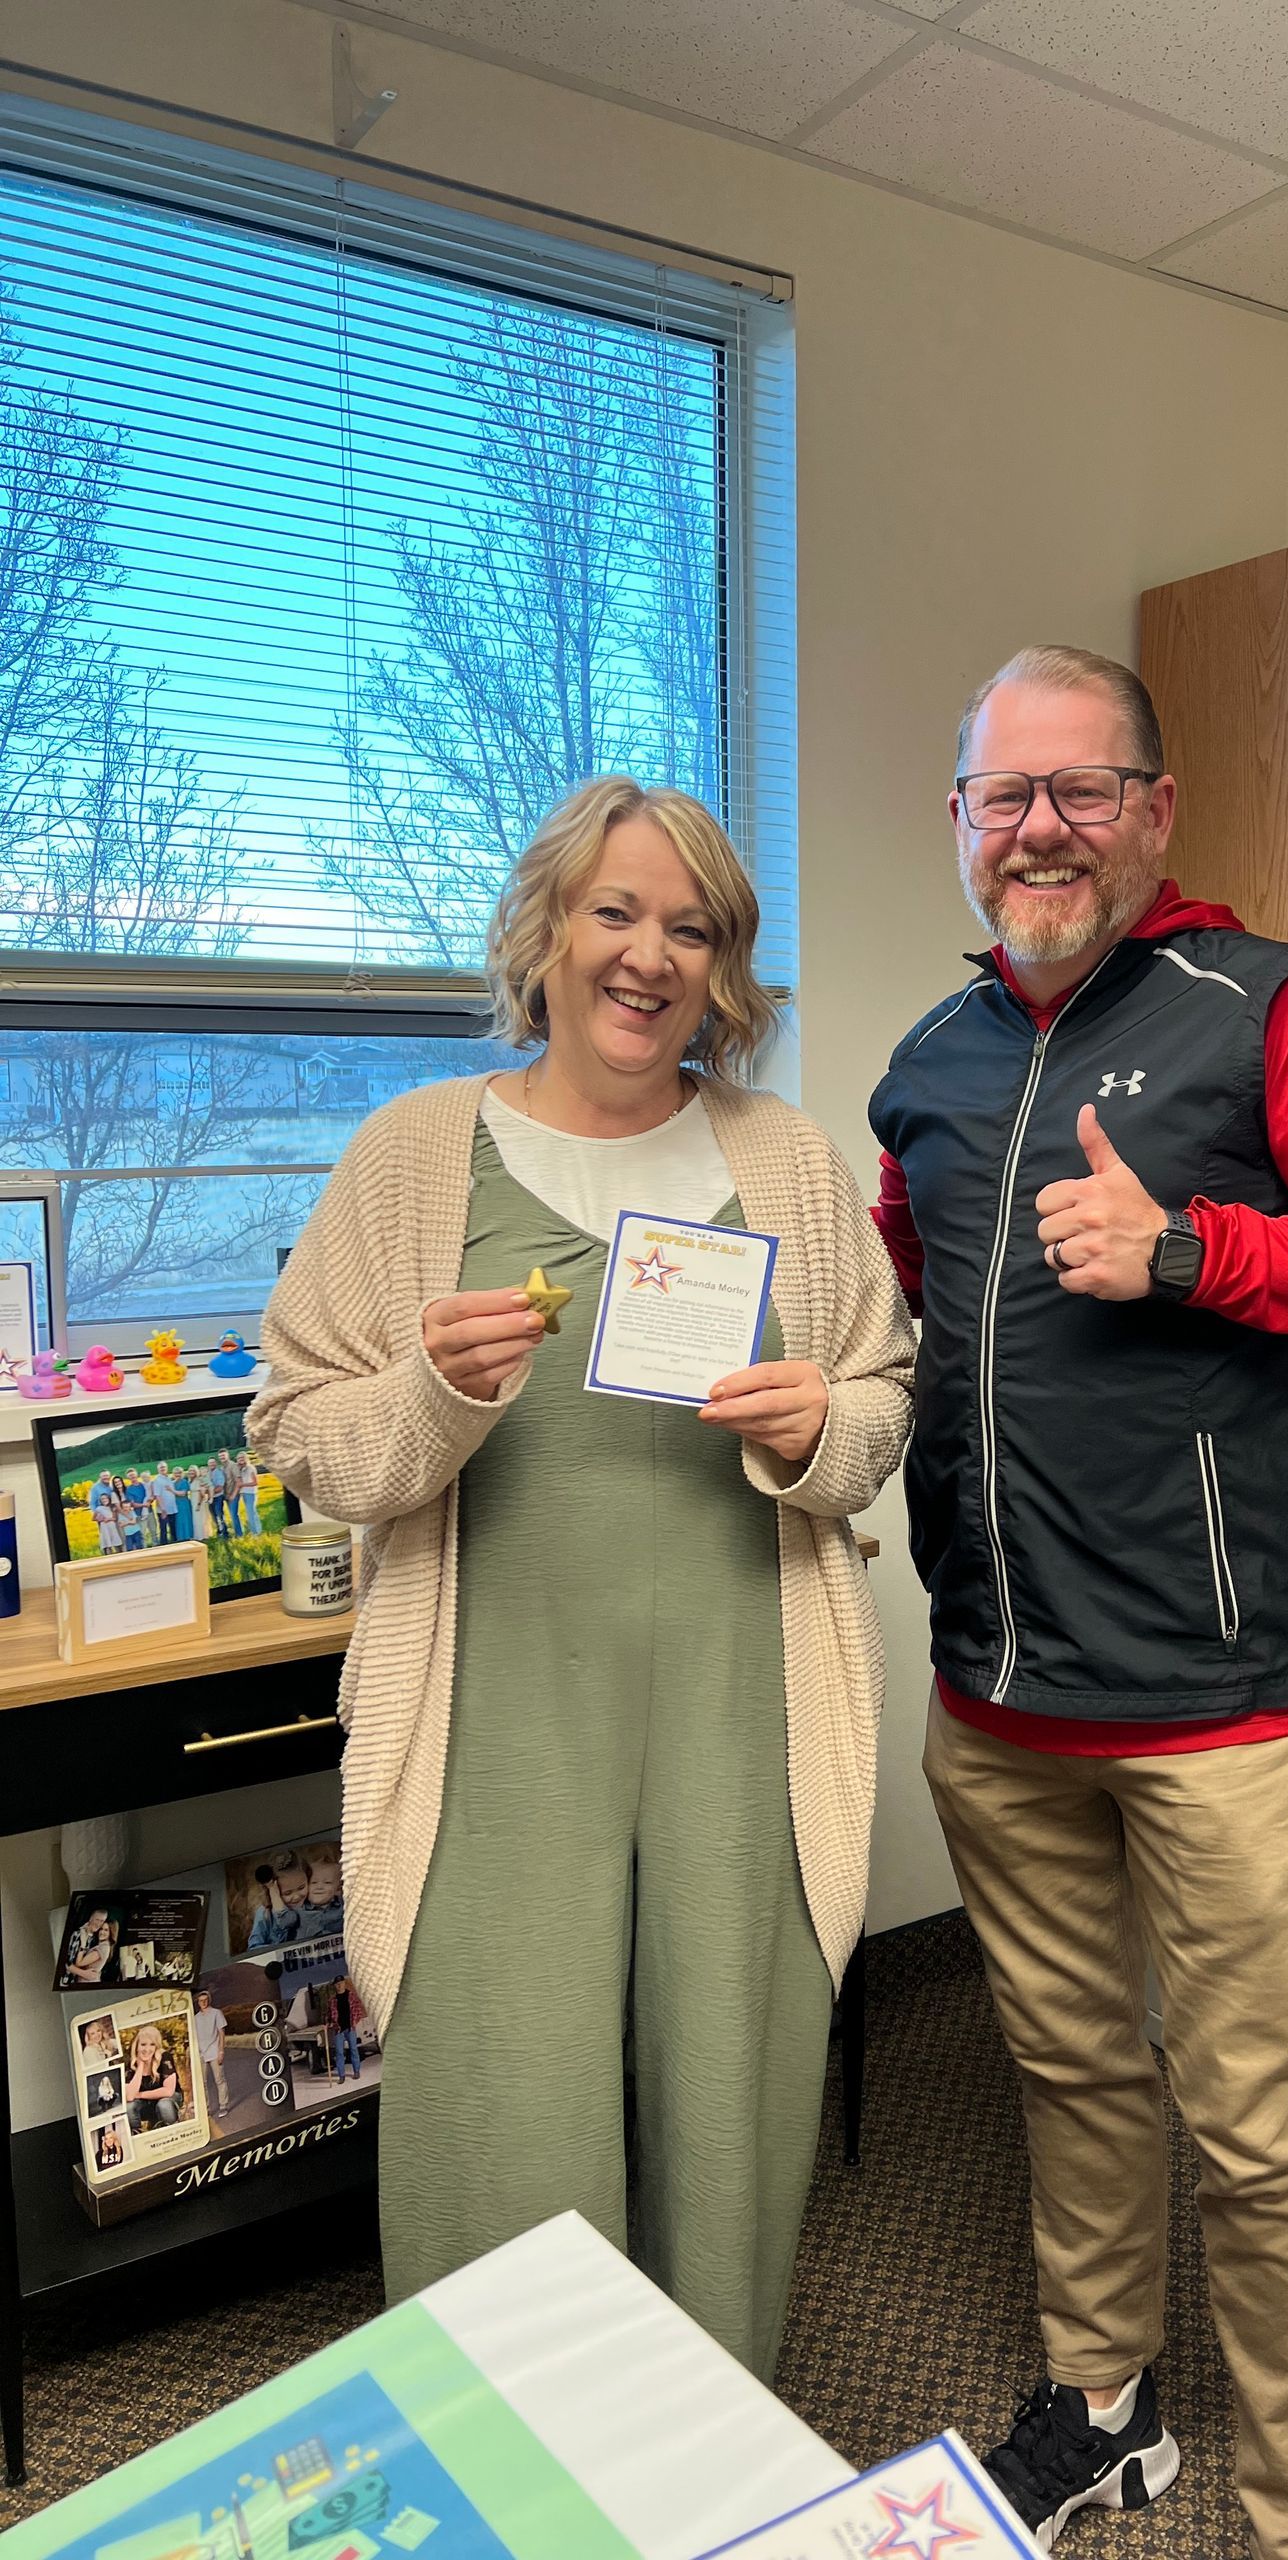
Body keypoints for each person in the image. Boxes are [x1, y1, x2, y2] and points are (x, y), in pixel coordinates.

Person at [870, 647, 1288, 2560]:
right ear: (959, 823)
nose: (1040, 829)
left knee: (1258, 2131)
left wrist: (1189, 1249)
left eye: (1082, 789)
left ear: (1154, 811)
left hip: (1216, 1702)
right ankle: (1105, 2406)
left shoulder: (1274, 1007)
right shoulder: (931, 1062)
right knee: (1068, 2071)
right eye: (1005, 795)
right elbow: (911, 1303)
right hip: (996, 1692)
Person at [249, 776, 914, 2379]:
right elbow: (296, 1432)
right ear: (544, 930)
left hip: (742, 1708)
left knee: (727, 2109)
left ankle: (709, 2437)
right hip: (498, 1720)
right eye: (615, 911)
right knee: (504, 2114)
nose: (648, 956)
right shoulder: (415, 1159)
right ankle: (515, 2460)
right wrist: (431, 1394)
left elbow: (883, 1401)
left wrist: (821, 1427)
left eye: (691, 928)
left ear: (722, 966)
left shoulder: (786, 1161)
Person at [125, 2022, 181, 2130]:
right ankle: (137, 2134)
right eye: (143, 2044)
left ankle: (173, 2132)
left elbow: (168, 2091)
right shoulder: (131, 2063)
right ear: (137, 2046)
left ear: (157, 2046)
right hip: (146, 2103)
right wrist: (140, 2065)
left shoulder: (165, 2057)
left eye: (152, 2044)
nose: (147, 2049)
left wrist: (140, 2095)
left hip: (168, 2099)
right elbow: (130, 2096)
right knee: (129, 2107)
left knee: (164, 2105)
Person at [194, 1991, 231, 2114]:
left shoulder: (216, 2013)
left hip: (214, 2050)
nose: (203, 2002)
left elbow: (221, 2032)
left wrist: (221, 2051)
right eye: (201, 2001)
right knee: (202, 2083)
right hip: (201, 2053)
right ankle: (207, 2109)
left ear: (209, 2000)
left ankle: (223, 2105)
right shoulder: (196, 2018)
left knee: (219, 2079)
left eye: (205, 2000)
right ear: (198, 2002)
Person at [327, 1977, 362, 2082]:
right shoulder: (332, 2000)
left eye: (340, 1983)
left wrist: (355, 2021)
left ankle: (356, 2071)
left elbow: (358, 2010)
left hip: (350, 2028)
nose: (339, 1986)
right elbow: (328, 2014)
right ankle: (341, 2076)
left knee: (353, 2049)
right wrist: (327, 2022)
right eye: (337, 1984)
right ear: (335, 1986)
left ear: (344, 1983)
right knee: (339, 2052)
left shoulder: (351, 1996)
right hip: (338, 2029)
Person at [88, 1473, 120, 1555]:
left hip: (111, 1514)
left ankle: (118, 1553)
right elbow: (92, 1503)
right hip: (102, 1516)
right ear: (100, 1477)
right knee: (105, 1536)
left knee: (114, 1535)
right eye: (104, 1476)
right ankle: (107, 1554)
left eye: (107, 1475)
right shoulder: (95, 1488)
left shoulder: (111, 1486)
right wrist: (98, 1515)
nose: (106, 1477)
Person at [234, 1450, 262, 1536]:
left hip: (251, 1493)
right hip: (244, 1493)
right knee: (252, 1512)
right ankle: (257, 1530)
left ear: (246, 1458)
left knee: (251, 1513)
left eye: (242, 1457)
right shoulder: (241, 1469)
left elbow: (255, 1482)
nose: (240, 1459)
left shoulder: (250, 1468)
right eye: (239, 1458)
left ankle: (255, 1533)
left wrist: (243, 1484)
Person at [189, 1463, 213, 1542]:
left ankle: (202, 1536)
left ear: (196, 1472)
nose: (191, 1472)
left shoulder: (199, 1480)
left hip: (199, 1500)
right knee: (196, 1519)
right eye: (190, 1471)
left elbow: (201, 1493)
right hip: (193, 1500)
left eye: (193, 1471)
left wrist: (199, 1504)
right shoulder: (190, 1480)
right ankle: (197, 1535)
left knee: (200, 1518)